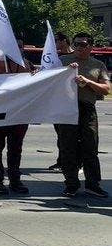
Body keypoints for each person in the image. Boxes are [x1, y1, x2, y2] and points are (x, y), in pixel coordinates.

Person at [59, 33, 109, 198]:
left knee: (90, 147)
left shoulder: (97, 65)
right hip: (67, 108)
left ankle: (93, 184)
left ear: (91, 47)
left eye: (83, 44)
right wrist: (66, 72)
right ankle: (71, 184)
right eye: (77, 44)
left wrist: (88, 82)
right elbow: (49, 80)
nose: (79, 47)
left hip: (87, 109)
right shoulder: (64, 61)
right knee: (68, 147)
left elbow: (106, 89)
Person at [0, 39, 33, 195]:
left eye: (20, 46)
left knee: (16, 148)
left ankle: (15, 180)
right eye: (14, 46)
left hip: (19, 113)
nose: (17, 49)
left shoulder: (26, 64)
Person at [47, 32, 73, 171]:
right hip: (58, 101)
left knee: (72, 135)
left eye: (56, 40)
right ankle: (61, 160)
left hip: (72, 101)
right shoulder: (56, 58)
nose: (55, 43)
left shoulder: (75, 57)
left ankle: (74, 162)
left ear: (64, 41)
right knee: (61, 134)